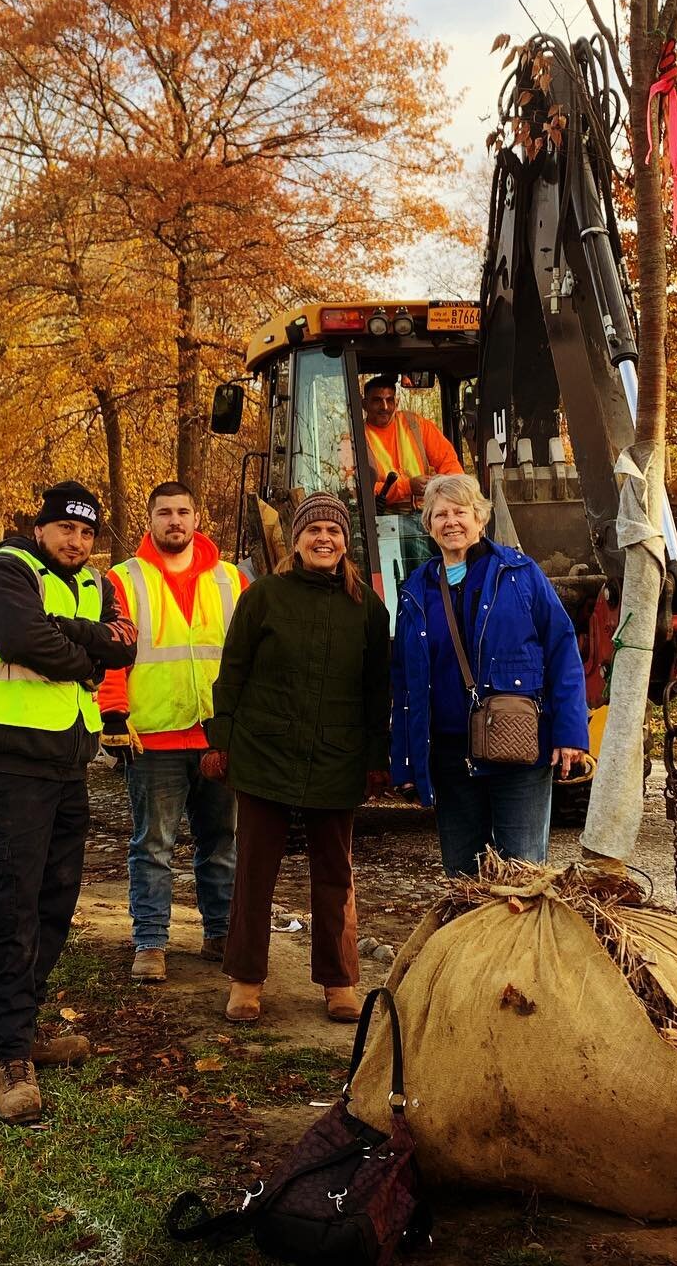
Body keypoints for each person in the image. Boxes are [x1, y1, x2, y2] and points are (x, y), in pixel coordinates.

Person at [0, 480, 138, 1126]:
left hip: (67, 765)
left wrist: (74, 633)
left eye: (89, 533)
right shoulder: (1, 571)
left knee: (55, 900)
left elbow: (127, 642)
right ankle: (10, 1057)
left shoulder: (94, 583)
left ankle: (26, 1027)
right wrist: (86, 657)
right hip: (7, 766)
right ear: (42, 528)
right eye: (67, 529)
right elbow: (23, 640)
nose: (78, 541)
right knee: (11, 906)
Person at [204, 492, 391, 1025]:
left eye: (333, 531)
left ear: (345, 543)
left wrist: (376, 757)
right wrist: (221, 741)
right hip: (264, 753)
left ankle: (339, 981)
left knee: (336, 874)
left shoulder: (367, 610)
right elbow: (233, 671)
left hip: (337, 756)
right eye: (314, 531)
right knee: (254, 872)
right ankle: (245, 980)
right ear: (298, 540)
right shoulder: (264, 596)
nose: (324, 539)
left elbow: (377, 693)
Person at [391, 474, 588, 877]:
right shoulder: (416, 589)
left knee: (523, 875)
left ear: (480, 518)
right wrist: (406, 762)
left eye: (460, 512)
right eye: (440, 514)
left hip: (517, 751)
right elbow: (404, 682)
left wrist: (569, 734)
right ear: (428, 525)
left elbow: (563, 650)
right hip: (450, 758)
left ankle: (520, 944)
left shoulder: (521, 575)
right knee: (463, 879)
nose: (451, 522)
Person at [97, 482, 247, 984]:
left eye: (184, 511)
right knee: (152, 846)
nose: (175, 521)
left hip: (217, 739)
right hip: (153, 739)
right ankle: (151, 943)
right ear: (150, 520)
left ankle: (221, 933)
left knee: (221, 842)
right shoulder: (123, 579)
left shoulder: (231, 581)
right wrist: (114, 716)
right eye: (165, 513)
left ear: (197, 516)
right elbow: (110, 656)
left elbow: (249, 659)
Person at [361, 375, 464, 512]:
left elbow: (450, 465)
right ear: (364, 404)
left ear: (396, 403)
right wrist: (407, 487)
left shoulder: (415, 424)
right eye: (377, 401)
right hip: (381, 520)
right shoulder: (355, 438)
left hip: (426, 514)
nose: (384, 407)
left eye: (390, 400)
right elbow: (358, 491)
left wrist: (439, 484)